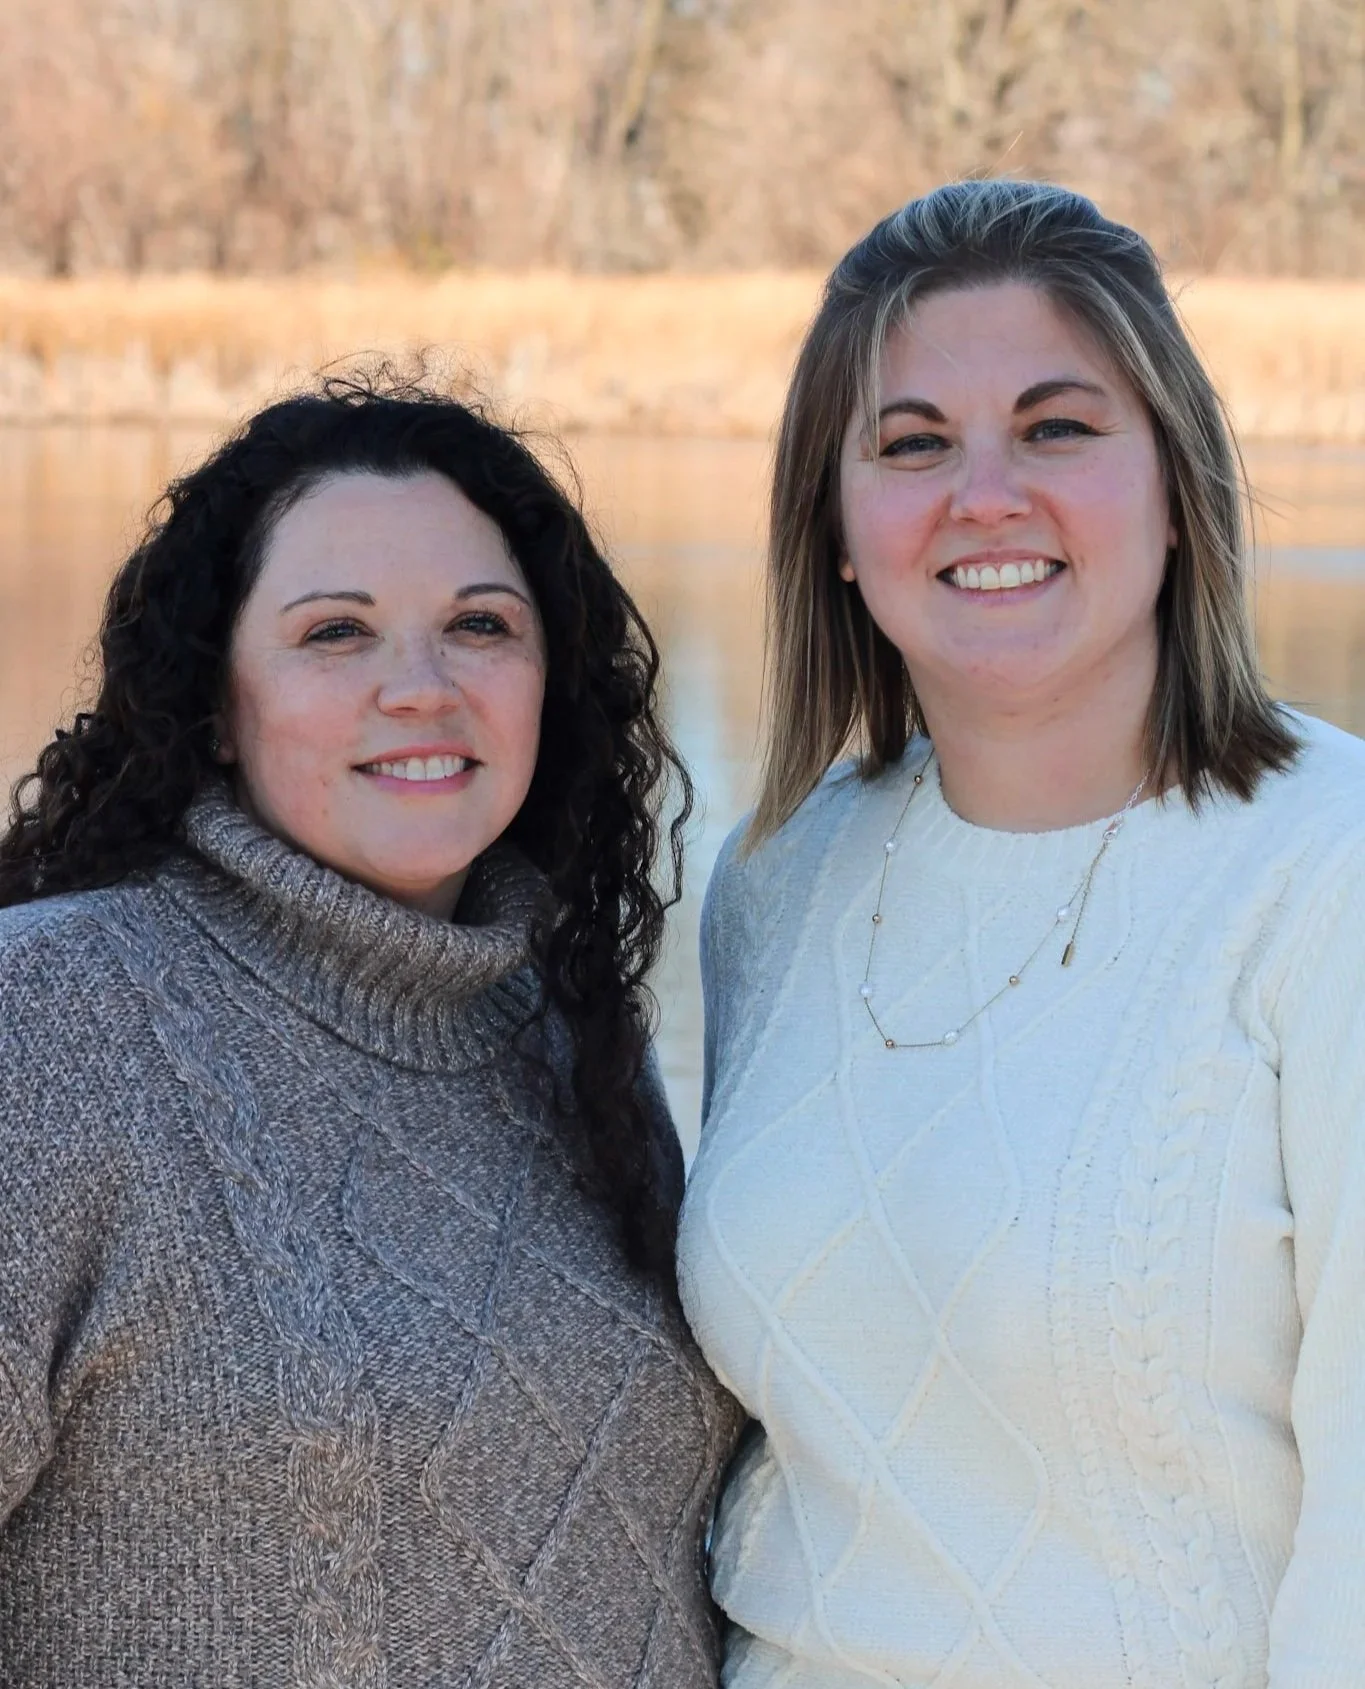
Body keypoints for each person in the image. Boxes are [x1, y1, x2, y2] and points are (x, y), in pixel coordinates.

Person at [676, 179, 1365, 1689]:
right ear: (839, 532)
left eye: (1058, 428)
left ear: (1179, 490)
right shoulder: (779, 877)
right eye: (912, 445)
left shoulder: (1330, 869)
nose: (984, 496)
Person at [0, 374, 742, 1687]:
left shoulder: (569, 1040)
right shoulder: (52, 1019)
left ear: (548, 684)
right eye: (335, 632)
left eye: (480, 625)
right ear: (217, 706)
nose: (421, 687)